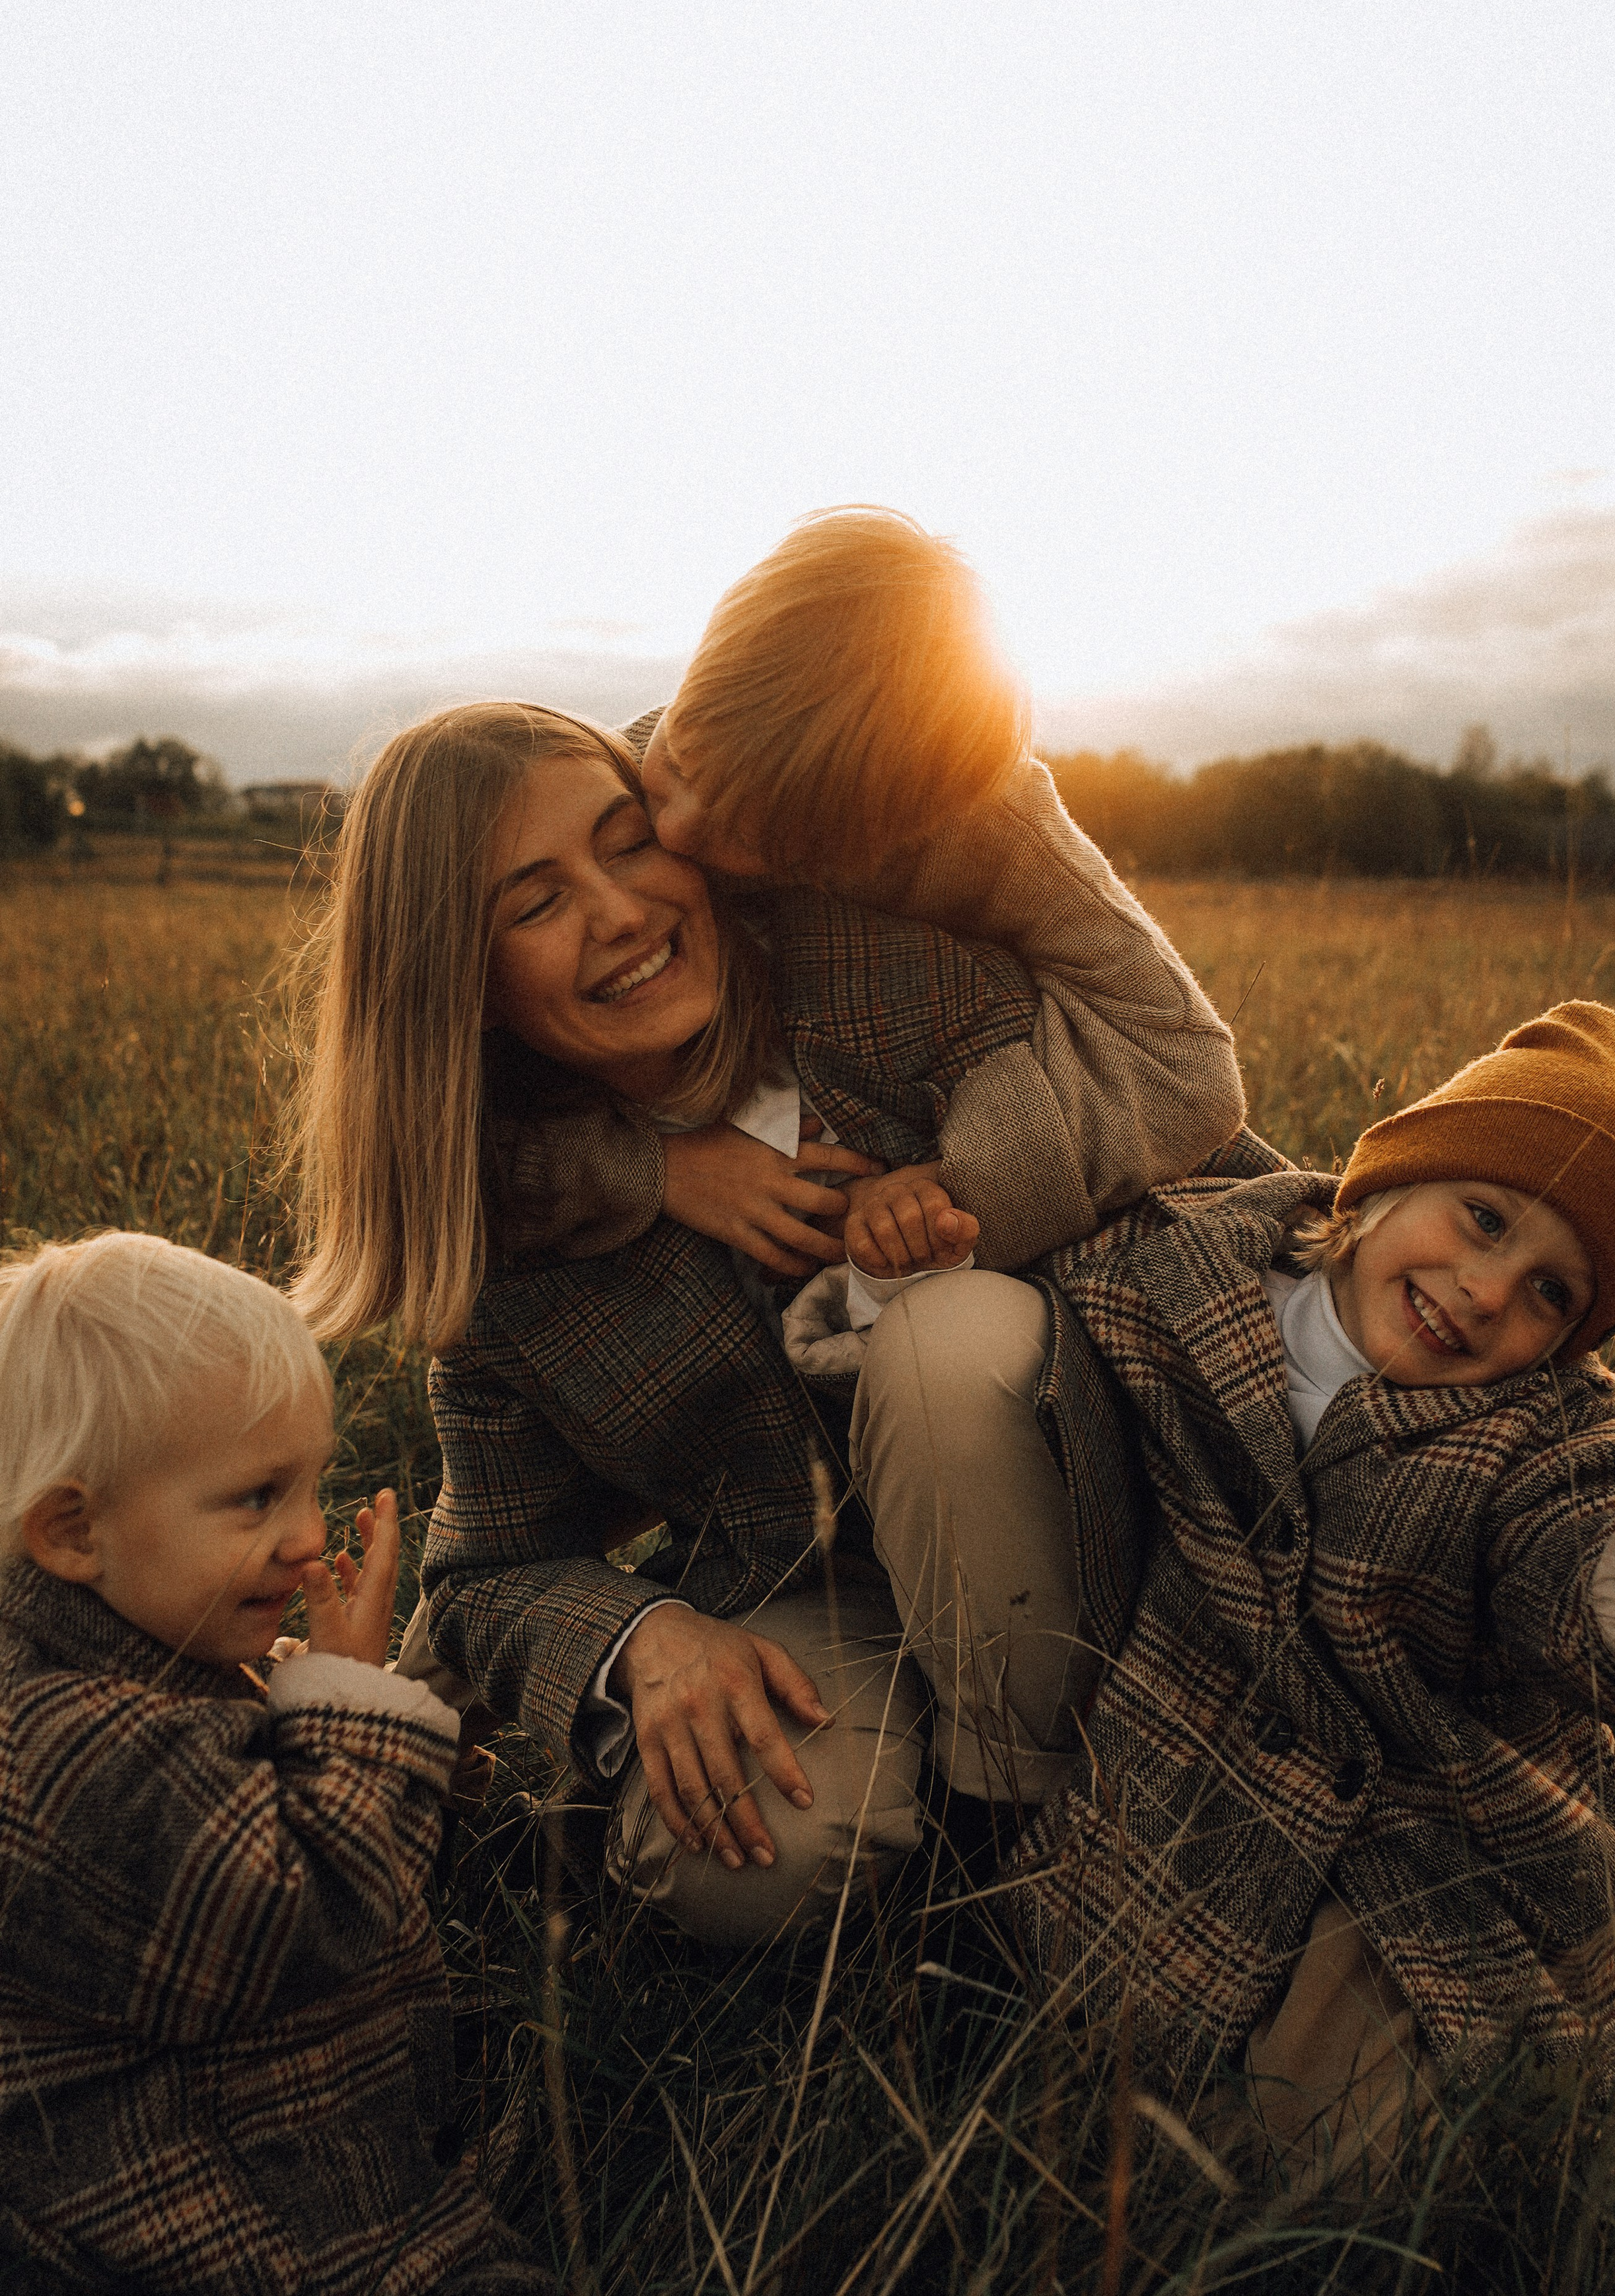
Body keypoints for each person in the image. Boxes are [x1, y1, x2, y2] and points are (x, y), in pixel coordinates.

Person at [286, 697, 1236, 1946]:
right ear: (464, 987)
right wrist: (644, 1633)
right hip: (839, 1590)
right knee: (736, 1844)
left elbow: (1165, 1090)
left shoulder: (878, 972)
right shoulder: (514, 1253)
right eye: (535, 902)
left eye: (629, 840)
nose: (620, 911)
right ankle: (951, 1859)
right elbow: (488, 1567)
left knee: (943, 1346)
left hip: (1112, 1511)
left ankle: (1043, 1845)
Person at [1011, 1002, 1615, 2191]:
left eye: (1550, 1295)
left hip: (1426, 1839)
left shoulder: (1541, 1438)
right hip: (1174, 1788)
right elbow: (1027, 1322)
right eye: (1482, 1219)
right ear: (1386, 1180)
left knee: (1366, 2163)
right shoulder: (1178, 1268)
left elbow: (1595, 1541)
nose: (1485, 1292)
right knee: (1119, 2106)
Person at [485, 506, 1246, 1281]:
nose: (673, 832)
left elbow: (1185, 1068)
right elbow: (421, 1100)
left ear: (884, 836)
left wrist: (962, 1180)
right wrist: (659, 1169)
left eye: (753, 836)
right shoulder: (607, 795)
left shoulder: (988, 825)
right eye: (680, 758)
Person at [0, 1232, 548, 2294]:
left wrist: (318, 1697)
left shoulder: (136, 1655)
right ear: (74, 1531)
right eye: (257, 1498)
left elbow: (231, 1769)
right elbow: (316, 1914)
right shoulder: (64, 1756)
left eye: (314, 1485)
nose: (307, 1536)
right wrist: (350, 1712)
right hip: (208, 2199)